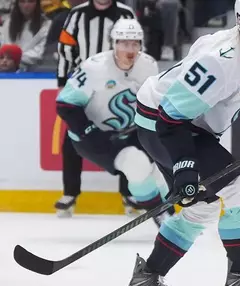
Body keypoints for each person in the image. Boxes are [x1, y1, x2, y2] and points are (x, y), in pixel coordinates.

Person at [123, 0, 240, 286]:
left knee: (203, 205)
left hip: (187, 124)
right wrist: (185, 167)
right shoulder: (219, 61)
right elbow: (169, 120)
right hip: (161, 123)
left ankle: (147, 278)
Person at [55, 19, 170, 227]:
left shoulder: (148, 65)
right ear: (114, 44)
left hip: (130, 132)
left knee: (160, 167)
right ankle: (161, 216)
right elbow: (65, 105)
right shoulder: (94, 67)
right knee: (137, 164)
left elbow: (153, 101)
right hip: (92, 137)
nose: (130, 49)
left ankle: (169, 214)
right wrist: (90, 132)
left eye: (135, 44)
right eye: (124, 43)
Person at [54, 0, 137, 217]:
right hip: (86, 85)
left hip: (118, 85)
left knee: (127, 135)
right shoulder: (77, 14)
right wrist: (63, 83)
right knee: (73, 136)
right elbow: (65, 50)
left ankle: (129, 192)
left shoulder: (126, 13)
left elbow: (136, 47)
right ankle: (70, 192)